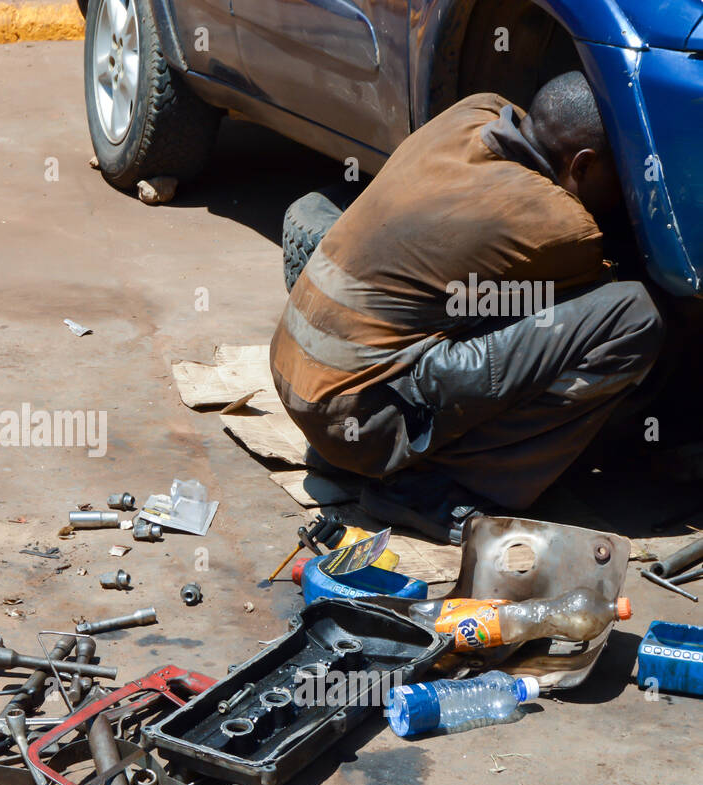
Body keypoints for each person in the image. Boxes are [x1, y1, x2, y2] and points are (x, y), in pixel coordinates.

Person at [270, 71, 664, 542]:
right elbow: (595, 296)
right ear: (581, 165)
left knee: (500, 296)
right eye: (619, 176)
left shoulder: (472, 112)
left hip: (298, 383)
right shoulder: (563, 226)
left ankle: (381, 448)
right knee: (632, 315)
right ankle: (433, 488)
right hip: (356, 415)